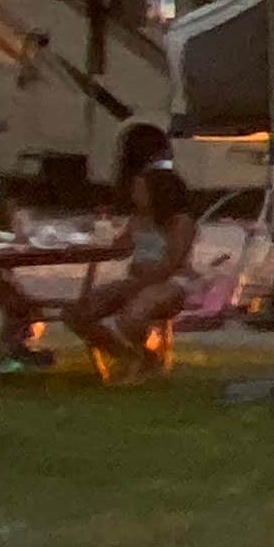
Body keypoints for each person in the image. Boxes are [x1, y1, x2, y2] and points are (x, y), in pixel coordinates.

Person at [64, 125, 200, 381]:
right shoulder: (138, 219)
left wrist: (138, 282)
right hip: (138, 280)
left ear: (157, 192)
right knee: (76, 313)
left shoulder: (179, 222)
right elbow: (120, 248)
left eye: (140, 190)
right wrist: (91, 238)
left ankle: (142, 357)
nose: (134, 195)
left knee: (133, 314)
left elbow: (172, 264)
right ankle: (130, 355)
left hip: (170, 282)